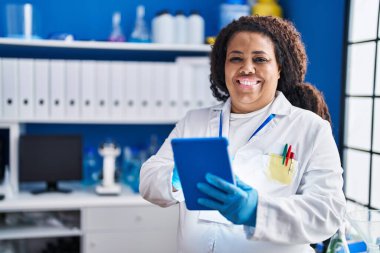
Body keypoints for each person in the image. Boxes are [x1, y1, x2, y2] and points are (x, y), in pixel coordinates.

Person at [139, 15, 345, 253]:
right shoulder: (195, 121)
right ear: (223, 67)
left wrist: (257, 210)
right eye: (235, 58)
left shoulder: (310, 128)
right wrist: (178, 177)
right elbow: (148, 179)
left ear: (279, 67)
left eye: (260, 59)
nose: (246, 68)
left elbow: (327, 213)